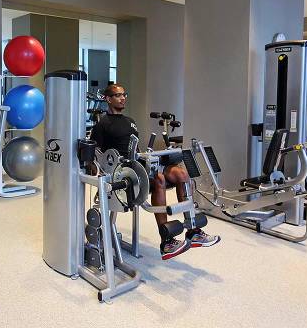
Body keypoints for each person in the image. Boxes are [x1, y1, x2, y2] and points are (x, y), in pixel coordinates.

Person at [90, 83, 220, 260]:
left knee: (181, 174)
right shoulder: (102, 125)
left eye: (124, 94)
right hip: (122, 171)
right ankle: (167, 242)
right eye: (118, 95)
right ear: (108, 99)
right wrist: (97, 171)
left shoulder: (130, 121)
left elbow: (136, 148)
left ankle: (193, 231)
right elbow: (97, 154)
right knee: (159, 178)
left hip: (139, 163)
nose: (123, 98)